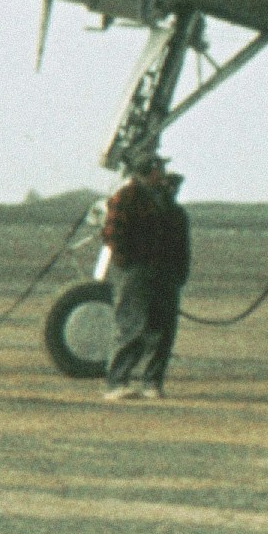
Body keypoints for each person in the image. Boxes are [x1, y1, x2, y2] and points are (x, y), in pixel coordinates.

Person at [100, 154, 191, 401]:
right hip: (136, 272)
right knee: (132, 325)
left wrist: (179, 273)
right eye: (160, 168)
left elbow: (182, 243)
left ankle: (152, 382)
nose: (163, 174)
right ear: (150, 170)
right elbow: (112, 234)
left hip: (165, 273)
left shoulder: (169, 205)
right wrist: (128, 263)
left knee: (163, 329)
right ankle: (117, 382)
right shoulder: (127, 197)